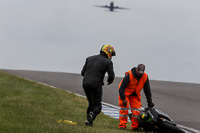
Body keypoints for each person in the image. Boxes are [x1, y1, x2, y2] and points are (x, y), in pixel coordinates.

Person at [81, 44, 116, 126]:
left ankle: (88, 121)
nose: (111, 57)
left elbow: (83, 72)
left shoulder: (89, 58)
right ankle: (91, 116)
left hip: (85, 83)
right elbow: (111, 76)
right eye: (111, 55)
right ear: (108, 52)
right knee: (97, 105)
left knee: (91, 103)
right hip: (96, 84)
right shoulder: (108, 62)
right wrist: (109, 81)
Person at [118, 64, 154, 131]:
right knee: (124, 109)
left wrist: (150, 102)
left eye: (141, 73)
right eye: (138, 72)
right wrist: (123, 98)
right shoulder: (129, 75)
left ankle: (135, 127)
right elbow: (121, 88)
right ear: (136, 69)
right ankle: (122, 125)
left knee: (137, 111)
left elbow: (147, 90)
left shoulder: (145, 77)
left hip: (135, 95)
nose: (139, 74)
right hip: (125, 93)